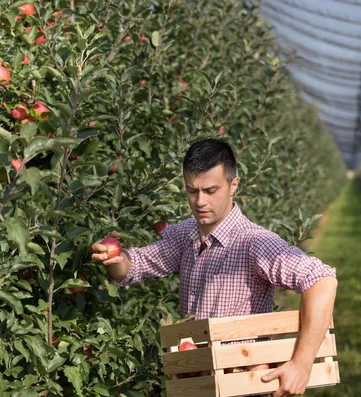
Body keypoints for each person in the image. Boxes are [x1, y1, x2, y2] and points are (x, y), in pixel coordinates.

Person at [91, 138, 338, 396]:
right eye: (191, 190)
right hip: (194, 382)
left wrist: (302, 364)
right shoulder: (184, 234)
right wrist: (115, 260)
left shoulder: (253, 242)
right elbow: (134, 267)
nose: (199, 202)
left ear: (233, 186)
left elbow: (322, 280)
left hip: (241, 385)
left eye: (210, 191)